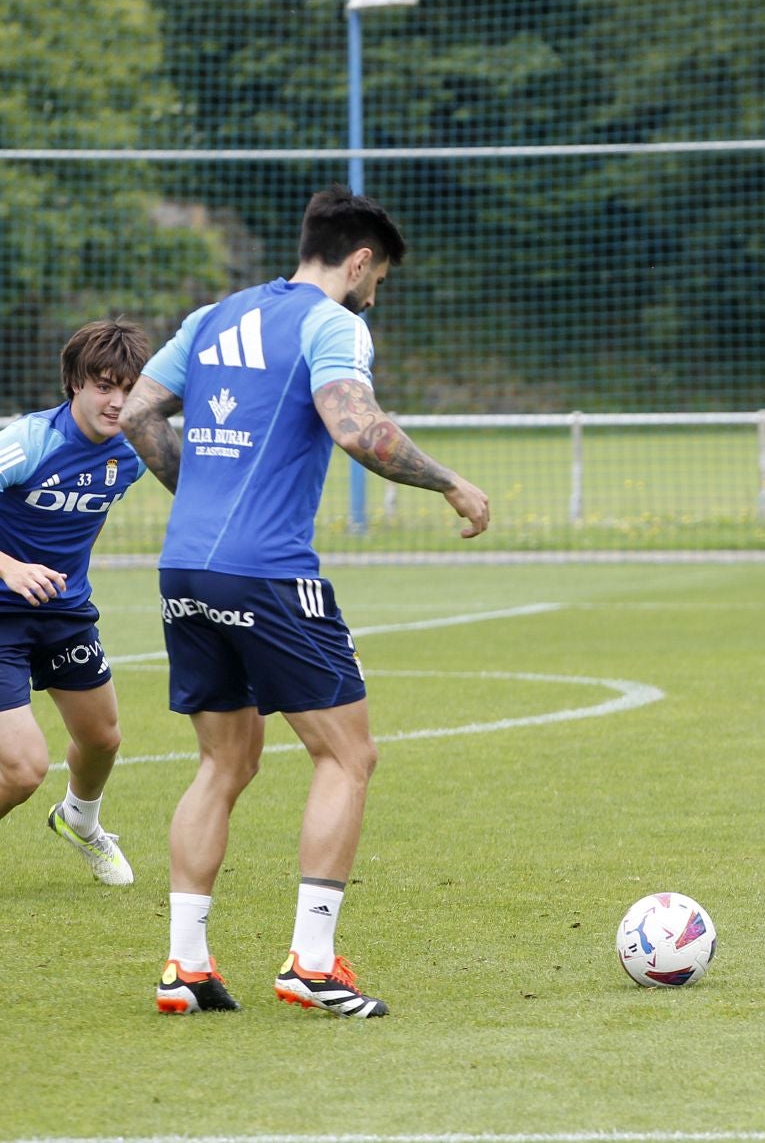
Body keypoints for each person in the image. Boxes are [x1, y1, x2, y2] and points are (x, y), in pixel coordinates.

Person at [121, 185, 491, 1015]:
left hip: (185, 567)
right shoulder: (335, 324)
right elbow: (359, 428)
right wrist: (451, 482)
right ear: (359, 261)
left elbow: (140, 411)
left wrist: (200, 492)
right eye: (379, 279)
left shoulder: (215, 315)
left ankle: (185, 966)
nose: (375, 295)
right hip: (269, 572)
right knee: (348, 755)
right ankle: (312, 964)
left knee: (224, 761)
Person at [0, 320, 151, 886]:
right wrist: (10, 568)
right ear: (74, 384)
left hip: (64, 613)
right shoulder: (29, 442)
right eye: (104, 386)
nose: (116, 402)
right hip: (1, 613)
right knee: (21, 768)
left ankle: (80, 821)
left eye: (129, 389)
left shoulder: (134, 451)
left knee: (102, 739)